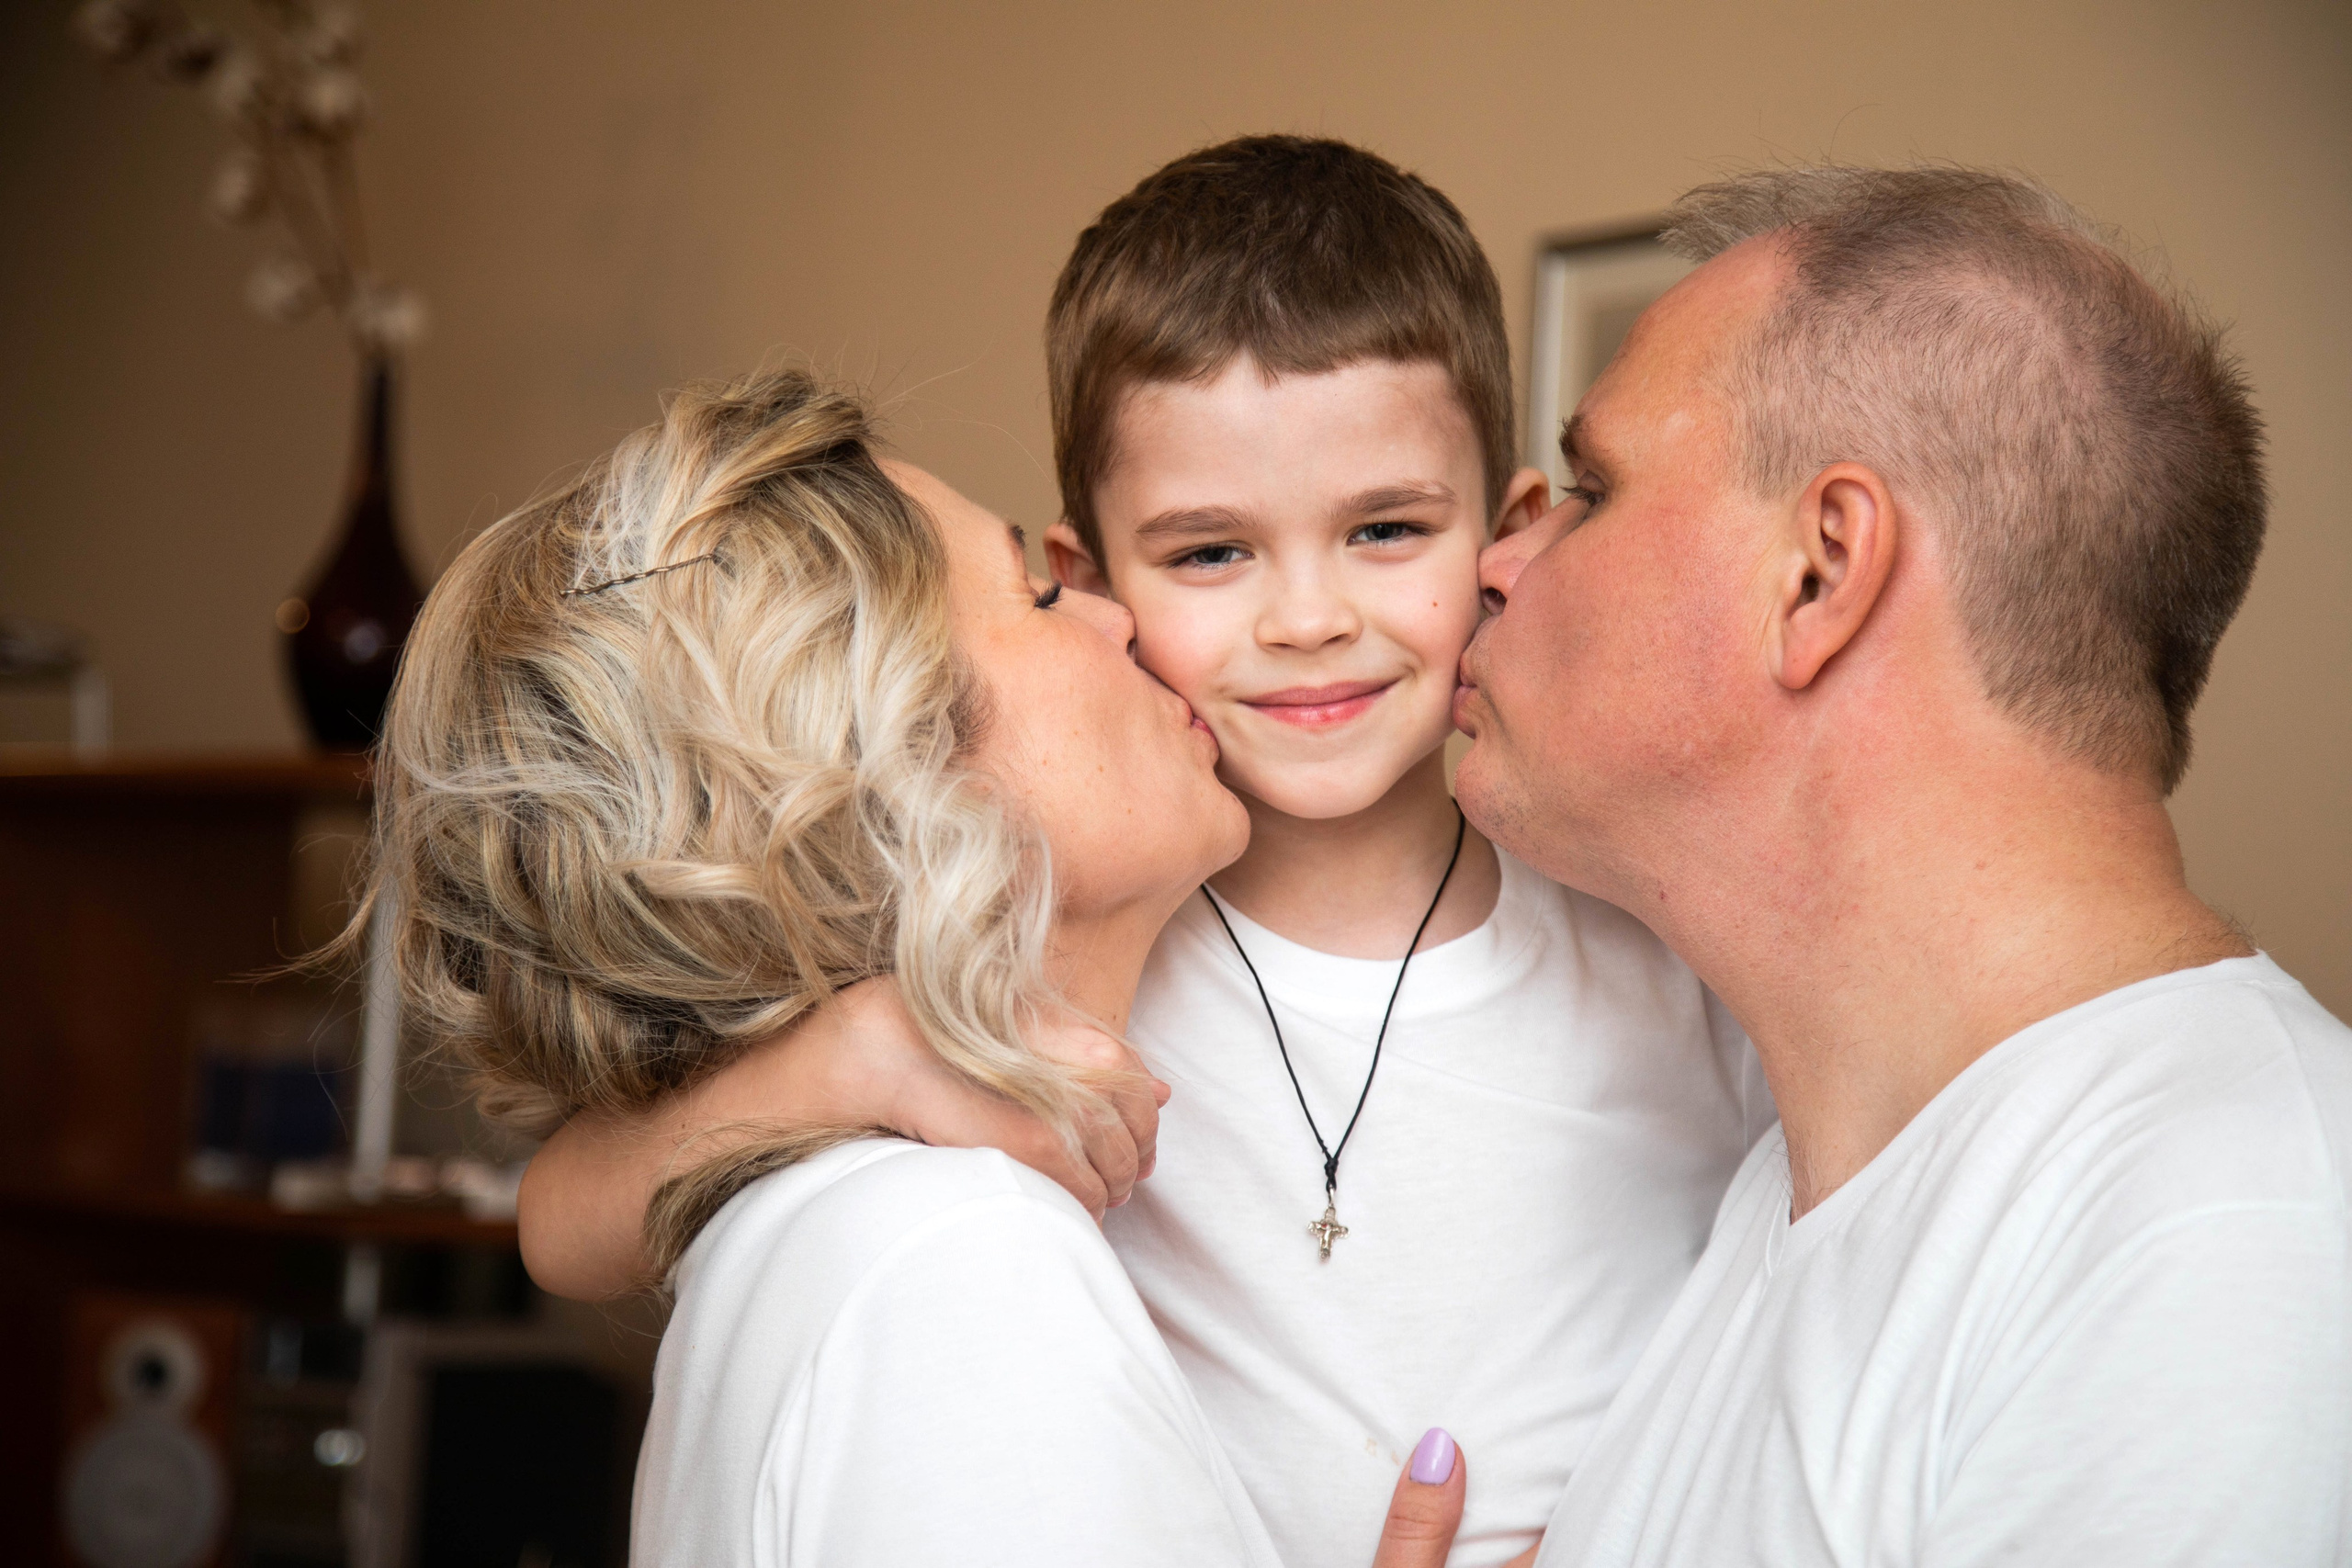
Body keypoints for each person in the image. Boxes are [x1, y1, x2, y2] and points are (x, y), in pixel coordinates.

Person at [519, 137, 1771, 1568]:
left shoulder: (1656, 929)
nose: (1307, 619)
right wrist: (845, 1062)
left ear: (1506, 534)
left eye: (1383, 530)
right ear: (1094, 583)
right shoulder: (1057, 959)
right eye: (1210, 556)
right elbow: (568, 1222)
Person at [344, 367, 1480, 1567]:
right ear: (897, 762)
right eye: (1042, 597)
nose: (1119, 619)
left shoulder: (853, 1208)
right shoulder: (962, 1275)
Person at [1451, 166, 2352, 1565]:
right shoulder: (1788, 1188)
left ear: (1820, 571)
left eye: (1591, 488)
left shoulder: (2221, 1233)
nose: (1495, 566)